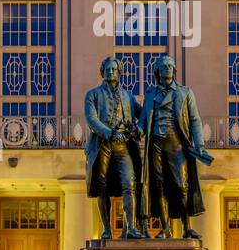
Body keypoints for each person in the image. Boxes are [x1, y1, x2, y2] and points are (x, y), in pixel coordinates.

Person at [138, 55, 212, 240]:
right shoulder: (150, 94)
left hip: (176, 143)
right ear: (157, 71)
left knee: (181, 185)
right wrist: (135, 130)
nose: (168, 68)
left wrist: (200, 144)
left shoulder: (185, 92)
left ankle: (187, 227)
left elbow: (195, 120)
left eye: (171, 65)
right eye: (164, 66)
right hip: (155, 143)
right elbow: (143, 122)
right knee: (159, 185)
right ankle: (165, 228)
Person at [83, 57, 145, 239]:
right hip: (102, 144)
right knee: (102, 187)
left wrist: (139, 128)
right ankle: (107, 229)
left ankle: (130, 227)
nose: (111, 72)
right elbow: (91, 119)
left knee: (129, 184)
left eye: (114, 69)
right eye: (107, 69)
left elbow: (143, 115)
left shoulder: (128, 96)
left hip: (124, 145)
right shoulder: (92, 94)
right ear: (103, 72)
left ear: (119, 72)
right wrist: (109, 132)